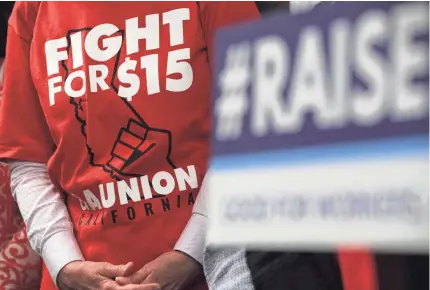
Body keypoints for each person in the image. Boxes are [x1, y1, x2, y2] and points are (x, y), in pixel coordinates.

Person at [0, 2, 260, 290]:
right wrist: (65, 264)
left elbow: (257, 129)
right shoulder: (32, 11)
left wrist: (190, 254)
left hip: (212, 273)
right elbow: (27, 161)